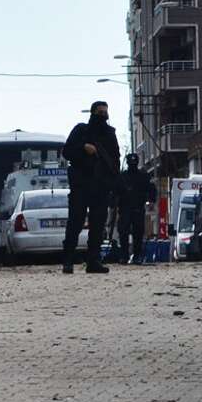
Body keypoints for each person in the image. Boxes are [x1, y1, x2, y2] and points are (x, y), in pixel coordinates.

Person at [61, 101, 120, 274]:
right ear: (92, 113)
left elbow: (115, 160)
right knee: (75, 222)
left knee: (98, 225)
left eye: (105, 112)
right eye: (100, 112)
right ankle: (68, 260)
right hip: (81, 185)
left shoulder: (110, 134)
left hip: (101, 187)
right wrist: (83, 148)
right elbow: (67, 151)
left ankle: (93, 261)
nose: (103, 116)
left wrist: (114, 184)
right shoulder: (81, 130)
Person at [115, 155, 158, 265]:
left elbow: (151, 188)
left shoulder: (143, 176)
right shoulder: (122, 176)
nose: (132, 165)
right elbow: (115, 190)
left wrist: (151, 200)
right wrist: (113, 203)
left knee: (138, 232)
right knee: (123, 232)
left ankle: (136, 255)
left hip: (138, 207)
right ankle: (124, 255)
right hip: (125, 208)